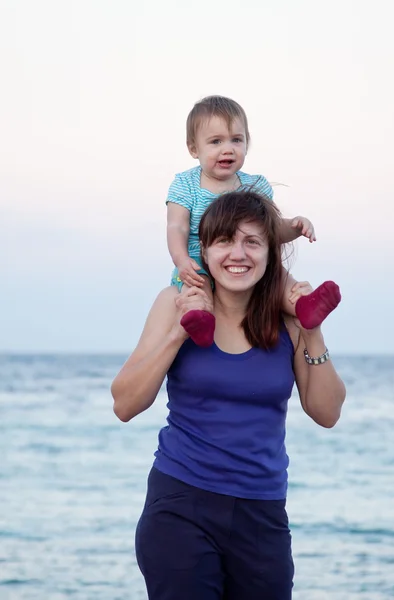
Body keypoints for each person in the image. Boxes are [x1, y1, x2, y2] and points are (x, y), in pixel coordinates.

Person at [111, 189, 346, 600]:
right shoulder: (174, 303)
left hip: (262, 512)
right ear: (205, 248)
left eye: (252, 241)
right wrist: (178, 331)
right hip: (181, 505)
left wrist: (311, 328)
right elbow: (125, 404)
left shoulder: (289, 322)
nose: (238, 254)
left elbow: (326, 412)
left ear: (270, 252)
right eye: (225, 240)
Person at [166, 95, 341, 348]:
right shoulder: (185, 184)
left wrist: (294, 226)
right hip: (197, 263)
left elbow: (270, 230)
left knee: (277, 275)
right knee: (198, 290)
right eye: (216, 141)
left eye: (236, 140)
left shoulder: (255, 185)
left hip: (246, 266)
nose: (228, 149)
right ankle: (201, 322)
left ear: (248, 143)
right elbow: (177, 226)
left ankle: (303, 306)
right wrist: (181, 260)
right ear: (194, 148)